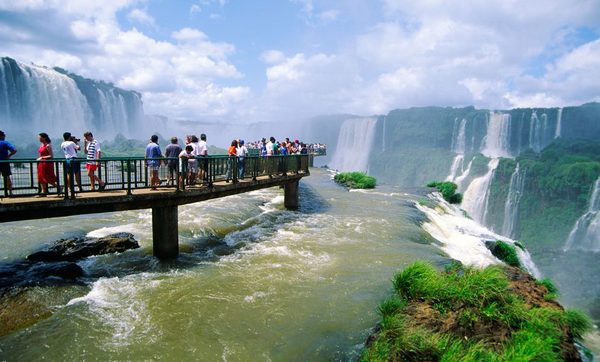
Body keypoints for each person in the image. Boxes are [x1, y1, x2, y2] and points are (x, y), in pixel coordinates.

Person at [37, 132, 59, 197]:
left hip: (47, 164)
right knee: (41, 177)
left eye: (40, 137)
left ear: (44, 138)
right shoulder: (41, 145)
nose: (39, 139)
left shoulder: (48, 145)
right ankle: (43, 192)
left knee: (48, 178)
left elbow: (51, 156)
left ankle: (58, 187)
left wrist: (42, 157)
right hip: (41, 164)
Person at [0, 130, 17, 196]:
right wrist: (8, 156)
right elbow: (14, 150)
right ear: (1, 136)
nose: (5, 137)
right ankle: (10, 193)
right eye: (4, 135)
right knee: (7, 177)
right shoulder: (5, 143)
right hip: (4, 162)